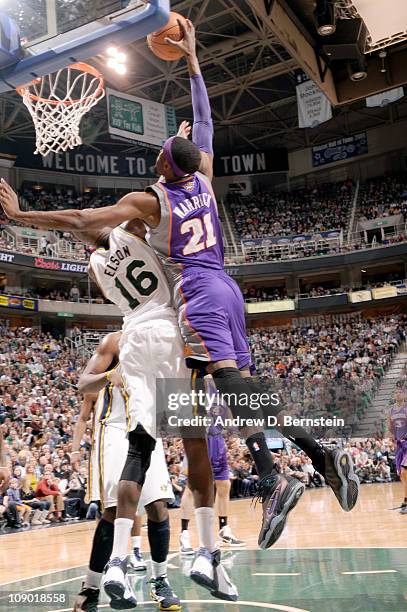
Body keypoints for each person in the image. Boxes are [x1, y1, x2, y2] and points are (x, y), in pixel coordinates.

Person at [0, 21, 358, 551]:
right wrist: (192, 60)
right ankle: (314, 454)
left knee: (226, 385)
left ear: (166, 164)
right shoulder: (205, 176)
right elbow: (206, 117)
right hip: (230, 288)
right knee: (237, 388)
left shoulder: (152, 200)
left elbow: (81, 218)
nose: (160, 153)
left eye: (162, 152)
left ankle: (282, 474)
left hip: (196, 292)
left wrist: (25, 215)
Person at [71, 332, 180, 612]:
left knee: (158, 506)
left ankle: (160, 582)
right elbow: (83, 384)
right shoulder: (113, 342)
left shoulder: (163, 344)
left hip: (147, 426)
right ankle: (91, 589)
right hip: (115, 428)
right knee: (114, 509)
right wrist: (109, 376)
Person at [388, 388, 407, 514]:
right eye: (396, 392)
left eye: (400, 392)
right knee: (401, 474)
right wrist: (392, 437)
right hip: (399, 445)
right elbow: (390, 428)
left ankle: (405, 501)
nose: (398, 394)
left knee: (405, 472)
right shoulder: (391, 410)